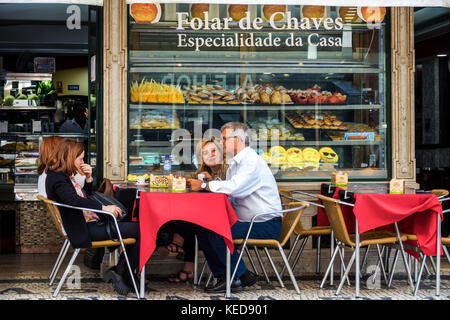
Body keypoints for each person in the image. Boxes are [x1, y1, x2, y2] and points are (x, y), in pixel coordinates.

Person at [187, 122, 283, 293]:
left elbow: (234, 188)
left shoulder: (251, 161)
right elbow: (231, 191)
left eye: (224, 139)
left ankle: (234, 277)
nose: (221, 143)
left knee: (217, 231)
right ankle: (232, 276)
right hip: (248, 221)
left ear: (238, 140)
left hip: (265, 224)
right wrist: (210, 186)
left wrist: (203, 186)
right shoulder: (236, 163)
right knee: (203, 228)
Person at [45, 138, 140, 296]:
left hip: (88, 225)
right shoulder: (58, 179)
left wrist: (88, 179)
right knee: (142, 230)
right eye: (80, 158)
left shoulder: (61, 176)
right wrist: (104, 207)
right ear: (69, 157)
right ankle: (124, 272)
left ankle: (121, 271)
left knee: (137, 230)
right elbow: (74, 200)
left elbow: (83, 196)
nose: (83, 161)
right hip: (87, 229)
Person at [166, 137, 228, 283]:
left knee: (194, 221)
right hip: (209, 218)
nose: (210, 155)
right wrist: (182, 179)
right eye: (205, 153)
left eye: (214, 151)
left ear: (221, 153)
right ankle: (187, 269)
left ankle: (177, 242)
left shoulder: (229, 171)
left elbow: (229, 194)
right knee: (191, 218)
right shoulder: (202, 172)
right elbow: (188, 179)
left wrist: (210, 182)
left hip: (227, 218)